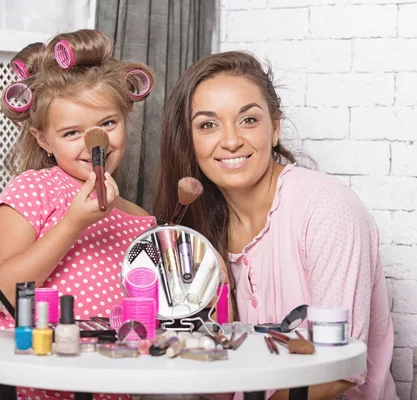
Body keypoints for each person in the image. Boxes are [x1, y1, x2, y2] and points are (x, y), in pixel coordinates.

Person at [152, 51, 398, 400]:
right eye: (208, 125)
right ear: (189, 140)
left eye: (248, 120)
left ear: (275, 127)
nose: (232, 140)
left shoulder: (327, 208)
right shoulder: (198, 230)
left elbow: (339, 372)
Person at [0, 29, 156, 400]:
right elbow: (2, 293)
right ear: (44, 139)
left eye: (107, 124)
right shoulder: (33, 190)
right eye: (72, 132)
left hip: (108, 390)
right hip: (27, 386)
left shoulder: (141, 220)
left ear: (125, 119)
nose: (95, 142)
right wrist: (73, 223)